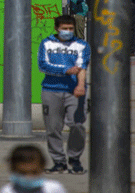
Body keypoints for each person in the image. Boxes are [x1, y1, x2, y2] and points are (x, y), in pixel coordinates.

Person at [38, 15, 90, 174]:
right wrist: (65, 70)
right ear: (57, 28)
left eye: (70, 29)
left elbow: (82, 67)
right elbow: (43, 65)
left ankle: (74, 158)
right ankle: (59, 161)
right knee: (53, 127)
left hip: (74, 91)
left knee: (77, 125)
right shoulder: (47, 43)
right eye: (64, 28)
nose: (67, 32)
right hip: (51, 89)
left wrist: (80, 85)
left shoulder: (81, 45)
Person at [0, 145, 68, 193]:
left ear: (42, 167)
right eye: (23, 173)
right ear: (12, 169)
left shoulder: (53, 188)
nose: (29, 177)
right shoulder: (7, 190)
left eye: (34, 172)